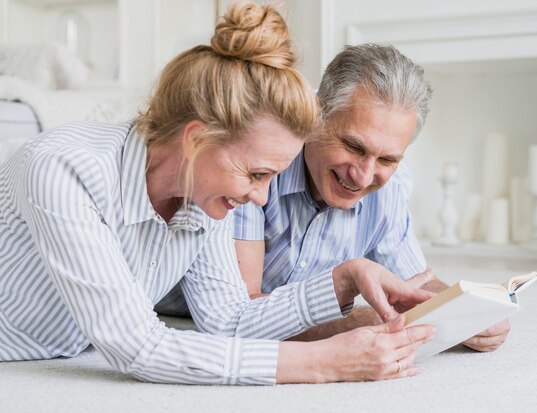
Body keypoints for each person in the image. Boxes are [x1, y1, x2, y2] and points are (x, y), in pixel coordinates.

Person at [0, 2, 436, 384]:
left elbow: (229, 320)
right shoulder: (65, 168)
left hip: (66, 352)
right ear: (196, 140)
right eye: (256, 174)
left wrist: (345, 278)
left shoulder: (203, 197)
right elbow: (136, 346)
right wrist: (322, 363)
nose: (262, 198)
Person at [232, 43, 510, 351]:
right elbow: (241, 314)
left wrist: (467, 309)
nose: (364, 177)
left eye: (387, 160)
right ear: (316, 115)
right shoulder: (260, 159)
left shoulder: (390, 188)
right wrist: (362, 323)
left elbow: (414, 282)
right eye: (354, 147)